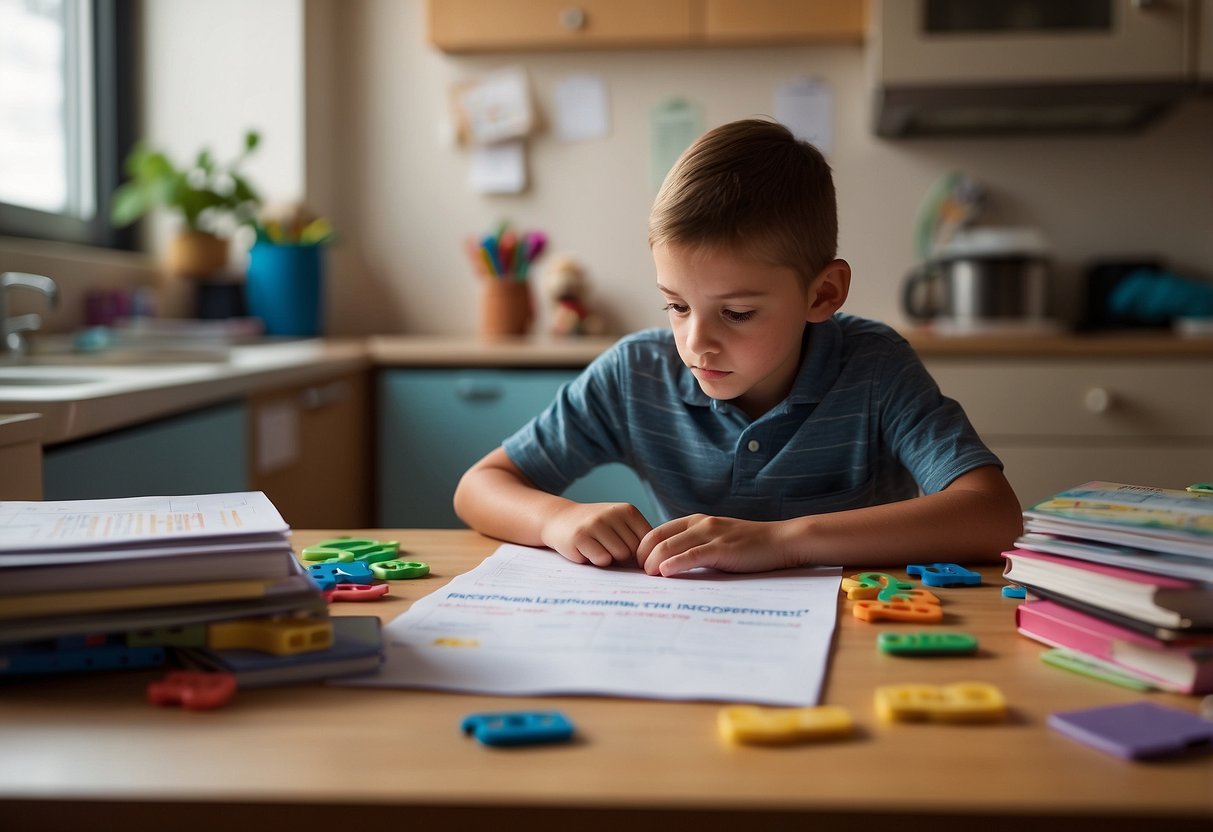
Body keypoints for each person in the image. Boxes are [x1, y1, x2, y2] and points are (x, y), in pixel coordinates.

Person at [453, 118, 1023, 577]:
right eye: (676, 306)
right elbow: (479, 487)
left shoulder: (875, 367)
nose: (696, 341)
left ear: (822, 294)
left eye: (738, 313)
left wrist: (786, 541)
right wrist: (557, 518)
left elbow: (993, 513)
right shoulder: (636, 374)